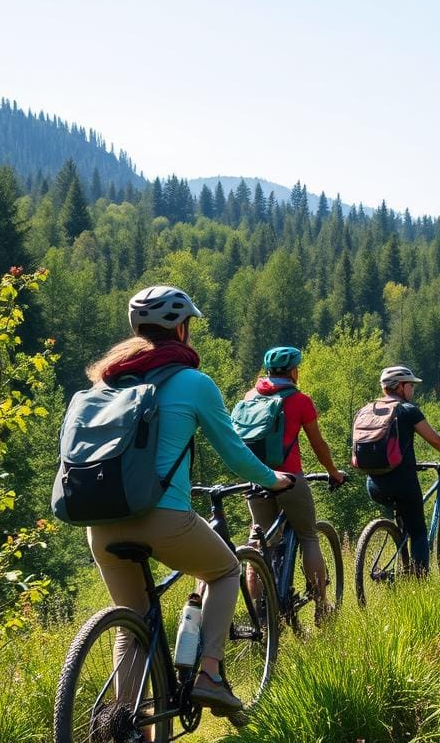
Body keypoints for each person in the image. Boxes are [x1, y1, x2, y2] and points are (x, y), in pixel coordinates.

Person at [85, 286, 294, 713]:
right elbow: (235, 453)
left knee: (132, 623)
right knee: (226, 569)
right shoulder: (193, 382)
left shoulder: (105, 381)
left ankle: (130, 725)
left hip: (99, 524)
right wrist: (274, 480)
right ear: (180, 328)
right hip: (162, 518)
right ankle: (211, 674)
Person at [243, 346, 345, 623]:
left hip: (256, 478)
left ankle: (258, 613)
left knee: (260, 541)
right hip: (289, 478)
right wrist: (333, 472)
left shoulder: (250, 397)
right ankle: (322, 608)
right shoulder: (300, 401)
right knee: (308, 535)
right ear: (293, 371)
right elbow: (318, 445)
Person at [364, 366, 440, 573]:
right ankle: (419, 582)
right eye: (411, 386)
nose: (413, 390)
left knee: (404, 522)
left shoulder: (369, 409)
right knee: (418, 533)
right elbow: (435, 440)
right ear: (400, 386)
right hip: (402, 482)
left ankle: (401, 561)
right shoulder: (407, 410)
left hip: (374, 483)